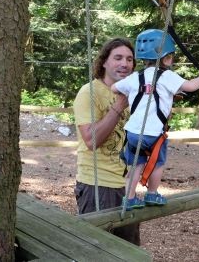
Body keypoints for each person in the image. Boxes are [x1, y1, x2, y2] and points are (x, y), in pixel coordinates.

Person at [111, 29, 199, 210]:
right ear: (166, 58)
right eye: (171, 57)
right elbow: (190, 86)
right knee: (157, 162)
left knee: (135, 165)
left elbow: (114, 88)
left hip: (133, 132)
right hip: (154, 133)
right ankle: (152, 194)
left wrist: (131, 91)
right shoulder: (167, 76)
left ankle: (130, 198)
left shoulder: (135, 77)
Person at [73, 37, 140, 245]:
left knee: (129, 252)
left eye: (129, 59)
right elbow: (91, 141)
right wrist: (119, 106)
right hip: (97, 185)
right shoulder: (89, 92)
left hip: (126, 185)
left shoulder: (132, 94)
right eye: (118, 58)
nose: (124, 64)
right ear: (104, 62)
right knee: (97, 251)